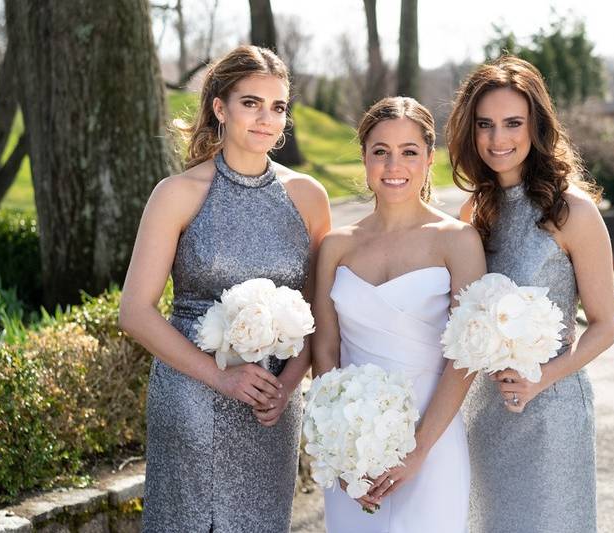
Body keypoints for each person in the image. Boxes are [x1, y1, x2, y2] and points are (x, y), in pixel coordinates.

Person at [118, 45, 330, 532]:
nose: (266, 119)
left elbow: (319, 313)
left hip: (270, 408)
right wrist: (221, 379)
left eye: (277, 107)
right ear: (220, 107)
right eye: (251, 103)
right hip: (192, 397)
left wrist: (290, 384)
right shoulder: (177, 194)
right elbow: (135, 311)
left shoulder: (308, 197)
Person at [446, 56, 614, 532]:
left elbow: (606, 325)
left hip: (551, 411)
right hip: (485, 409)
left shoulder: (573, 211)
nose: (498, 139)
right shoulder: (473, 211)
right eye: (485, 125)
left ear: (536, 126)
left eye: (512, 123)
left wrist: (543, 379)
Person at [312, 96, 485, 533]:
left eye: (409, 152)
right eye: (380, 152)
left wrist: (419, 449)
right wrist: (342, 447)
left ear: (429, 159)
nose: (394, 166)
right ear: (365, 159)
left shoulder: (457, 241)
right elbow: (326, 350)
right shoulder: (337, 246)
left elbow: (465, 356)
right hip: (352, 453)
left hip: (434, 441)